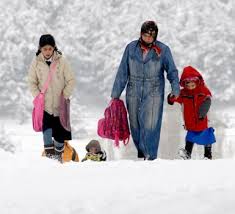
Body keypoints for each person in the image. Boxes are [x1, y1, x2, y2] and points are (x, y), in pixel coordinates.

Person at [111, 21, 180, 160]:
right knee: (135, 124)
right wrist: (115, 95)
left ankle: (150, 156)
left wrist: (175, 89)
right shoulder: (130, 48)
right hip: (133, 90)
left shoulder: (163, 50)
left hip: (154, 91)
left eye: (151, 36)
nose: (148, 38)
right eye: (145, 35)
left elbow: (172, 71)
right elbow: (122, 72)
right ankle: (143, 152)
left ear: (155, 36)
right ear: (141, 34)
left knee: (151, 124)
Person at [28, 34, 76, 161]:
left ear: (54, 47)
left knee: (60, 137)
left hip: (60, 107)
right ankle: (49, 161)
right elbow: (31, 82)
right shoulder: (36, 63)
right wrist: (38, 96)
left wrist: (65, 95)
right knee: (47, 135)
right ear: (40, 49)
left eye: (50, 48)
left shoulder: (62, 61)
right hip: (45, 107)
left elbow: (71, 80)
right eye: (45, 49)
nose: (47, 52)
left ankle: (58, 159)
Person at [168, 66, 216, 159]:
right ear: (184, 84)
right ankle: (187, 154)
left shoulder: (203, 91)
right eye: (188, 85)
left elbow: (207, 100)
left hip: (202, 120)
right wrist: (171, 97)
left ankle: (208, 155)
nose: (190, 88)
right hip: (190, 121)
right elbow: (175, 97)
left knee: (207, 136)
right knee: (190, 137)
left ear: (197, 82)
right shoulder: (183, 93)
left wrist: (202, 113)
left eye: (192, 85)